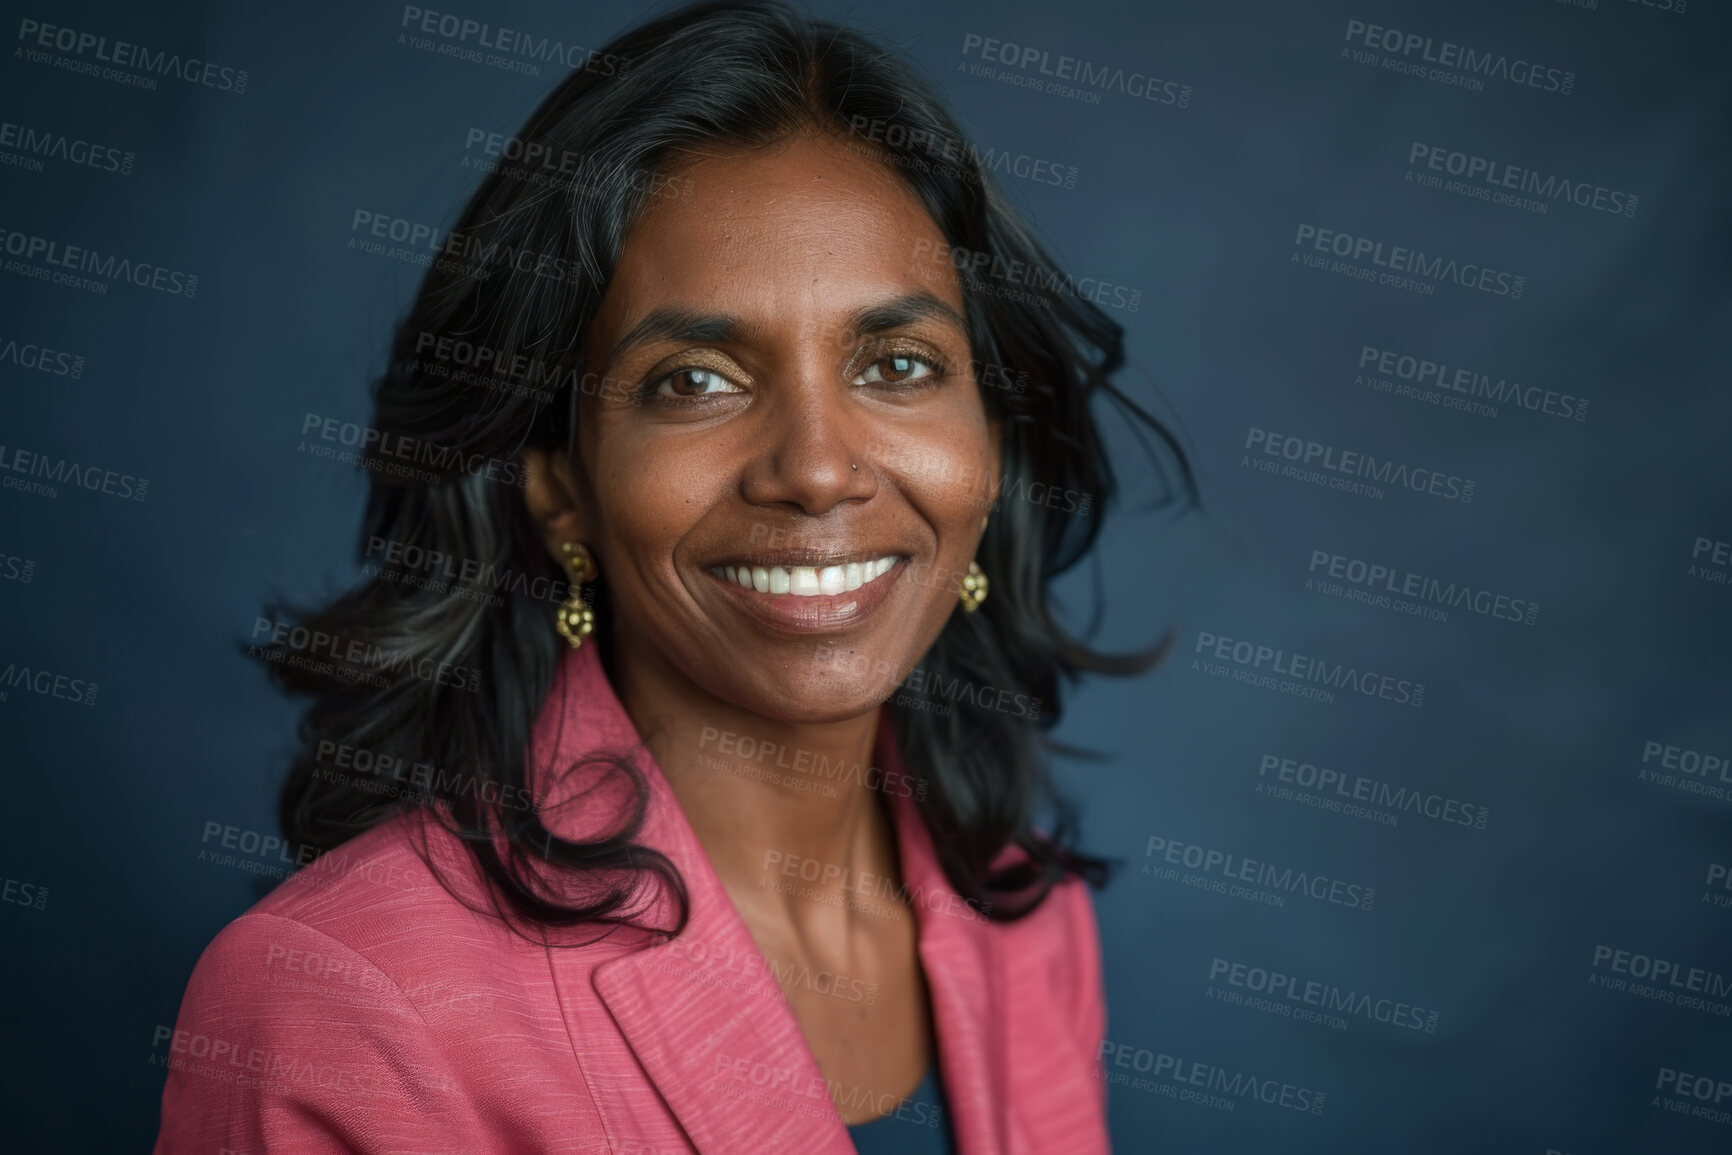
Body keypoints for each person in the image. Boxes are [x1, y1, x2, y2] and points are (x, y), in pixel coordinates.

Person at [154, 2, 1192, 1151]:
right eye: (694, 381)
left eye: (897, 364)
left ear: (990, 448)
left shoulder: (1017, 908)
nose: (815, 469)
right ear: (557, 487)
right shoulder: (346, 1001)